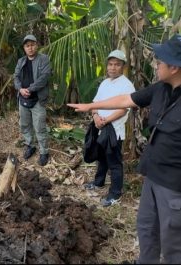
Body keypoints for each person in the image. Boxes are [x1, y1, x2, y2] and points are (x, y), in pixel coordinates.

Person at [67, 34, 181, 264]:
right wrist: (91, 106)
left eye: (160, 61)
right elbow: (125, 101)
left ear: (175, 67)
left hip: (174, 185)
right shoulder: (160, 88)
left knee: (173, 244)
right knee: (147, 230)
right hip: (151, 176)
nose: (156, 64)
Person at [83, 50, 135, 207]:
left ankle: (115, 194)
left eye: (117, 65)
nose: (113, 68)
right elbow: (95, 103)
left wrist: (105, 121)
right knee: (101, 157)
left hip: (114, 130)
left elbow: (123, 109)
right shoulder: (105, 83)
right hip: (100, 126)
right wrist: (96, 117)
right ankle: (98, 182)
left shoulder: (127, 85)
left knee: (114, 162)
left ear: (123, 67)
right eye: (110, 64)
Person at [14, 34, 52, 166]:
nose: (30, 48)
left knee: (39, 127)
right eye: (27, 46)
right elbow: (16, 77)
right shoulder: (21, 61)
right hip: (23, 99)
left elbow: (44, 77)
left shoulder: (44, 59)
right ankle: (30, 146)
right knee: (25, 125)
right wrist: (20, 89)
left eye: (32, 45)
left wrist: (29, 89)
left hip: (37, 99)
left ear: (37, 45)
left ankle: (44, 152)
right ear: (24, 48)